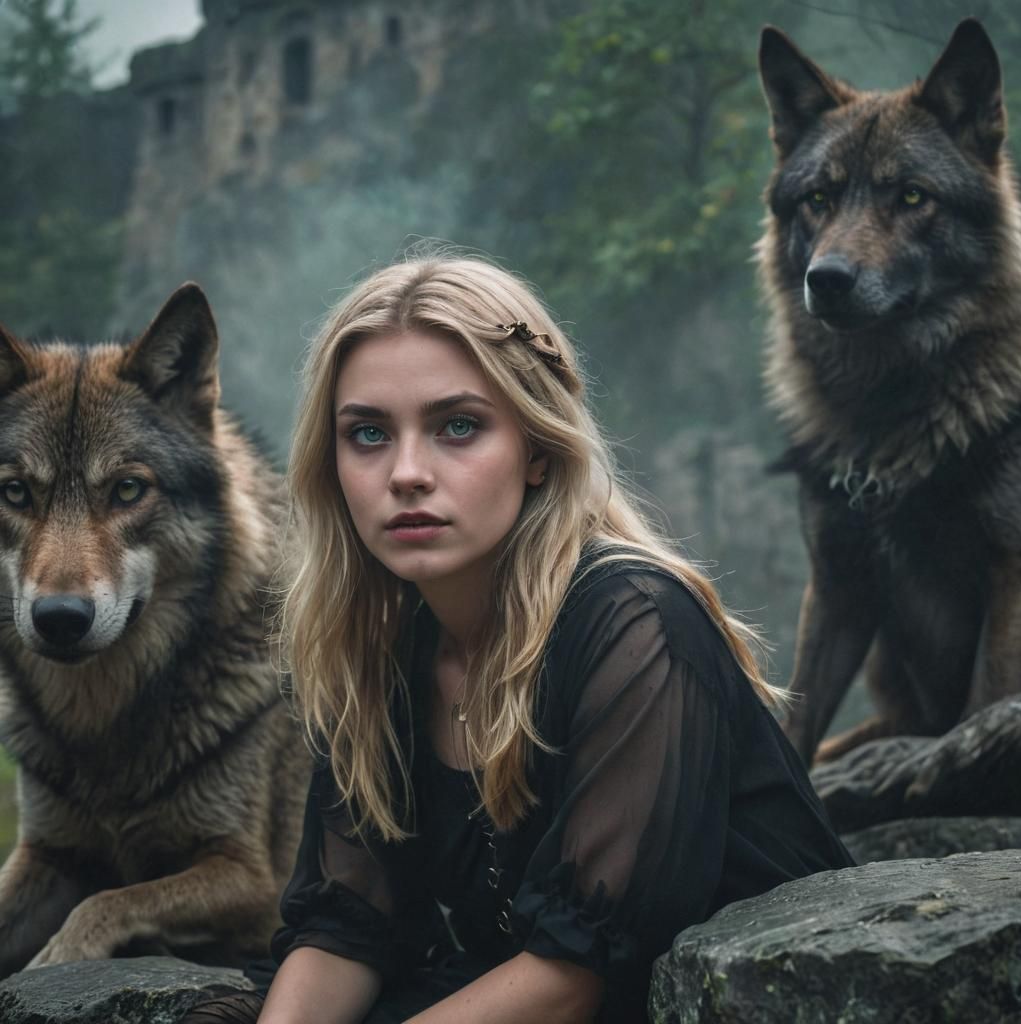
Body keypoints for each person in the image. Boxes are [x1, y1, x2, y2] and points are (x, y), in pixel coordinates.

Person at [183, 254, 853, 1024]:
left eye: (457, 426)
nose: (406, 473)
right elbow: (347, 925)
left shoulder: (637, 623)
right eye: (367, 433)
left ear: (538, 448)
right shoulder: (379, 648)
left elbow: (575, 976)